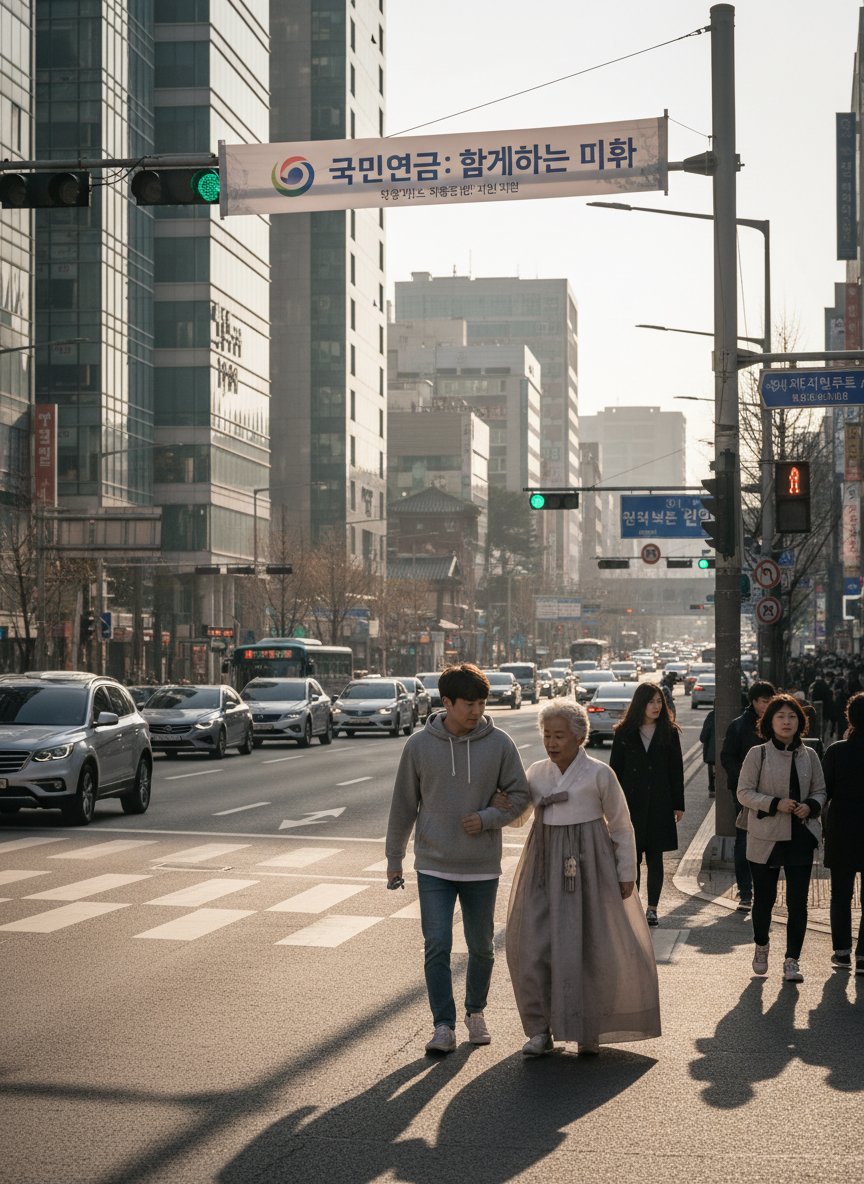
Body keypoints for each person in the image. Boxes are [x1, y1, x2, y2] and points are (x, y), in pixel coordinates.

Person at [499, 699, 660, 1057]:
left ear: (579, 737)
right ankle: (540, 1030)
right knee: (535, 945)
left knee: (592, 946)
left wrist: (626, 872)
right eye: (547, 735)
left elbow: (620, 825)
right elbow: (520, 816)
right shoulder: (537, 773)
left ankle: (591, 1027)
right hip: (542, 864)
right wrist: (502, 804)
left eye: (559, 735)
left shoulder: (600, 774)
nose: (551, 743)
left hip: (591, 866)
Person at [385, 663, 530, 1054]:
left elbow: (521, 798)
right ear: (446, 702)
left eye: (481, 703)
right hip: (433, 863)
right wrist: (394, 856)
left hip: (481, 865)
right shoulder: (418, 745)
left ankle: (475, 1012)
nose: (477, 711)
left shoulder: (499, 744)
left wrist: (487, 819)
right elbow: (403, 805)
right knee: (437, 945)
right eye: (468, 704)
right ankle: (443, 1025)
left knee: (482, 947)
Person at [736, 695, 826, 982]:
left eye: (792, 716)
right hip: (765, 837)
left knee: (798, 902)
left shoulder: (809, 755)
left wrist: (810, 806)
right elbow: (744, 792)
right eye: (780, 716)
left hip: (800, 835)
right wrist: (775, 803)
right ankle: (761, 945)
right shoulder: (757, 754)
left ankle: (792, 960)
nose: (787, 721)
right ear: (770, 721)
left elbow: (821, 790)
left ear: (800, 722)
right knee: (764, 899)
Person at [609, 682, 684, 927]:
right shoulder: (624, 732)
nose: (656, 706)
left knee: (655, 857)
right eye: (651, 701)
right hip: (631, 803)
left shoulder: (669, 731)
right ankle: (636, 906)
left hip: (660, 801)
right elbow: (615, 772)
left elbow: (676, 770)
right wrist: (611, 805)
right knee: (633, 856)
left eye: (659, 701)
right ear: (640, 703)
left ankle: (652, 908)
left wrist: (678, 804)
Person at [720, 680, 776, 912]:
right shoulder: (739, 726)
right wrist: (745, 780)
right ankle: (745, 892)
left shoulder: (776, 723)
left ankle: (765, 893)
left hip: (773, 793)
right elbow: (727, 757)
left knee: (771, 841)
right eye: (764, 701)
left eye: (770, 700)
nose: (767, 705)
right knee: (744, 838)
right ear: (753, 702)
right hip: (745, 793)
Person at [821, 691, 864, 974]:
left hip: (843, 828)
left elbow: (823, 793)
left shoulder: (837, 750)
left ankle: (842, 952)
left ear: (849, 718)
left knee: (840, 894)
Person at [699, 705, 716, 798]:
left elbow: (703, 735)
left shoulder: (712, 716)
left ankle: (712, 788)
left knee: (712, 763)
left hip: (712, 751)